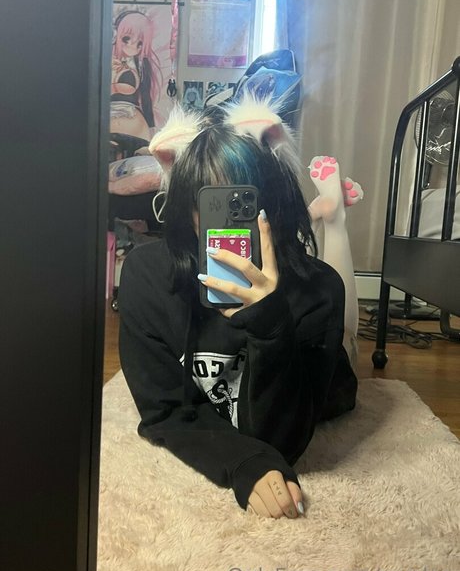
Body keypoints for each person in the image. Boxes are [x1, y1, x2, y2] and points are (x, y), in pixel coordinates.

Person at [117, 97, 361, 519]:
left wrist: (271, 324)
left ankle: (333, 218)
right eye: (210, 203)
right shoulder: (147, 276)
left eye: (242, 203)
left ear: (273, 201)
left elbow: (283, 443)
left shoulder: (318, 290)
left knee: (348, 347)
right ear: (187, 207)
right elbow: (162, 412)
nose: (227, 225)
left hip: (321, 366)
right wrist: (241, 460)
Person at [111, 10, 162, 140]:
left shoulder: (141, 64)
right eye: (126, 39)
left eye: (140, 44)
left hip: (136, 127)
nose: (132, 47)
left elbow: (146, 98)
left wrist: (151, 128)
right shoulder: (104, 58)